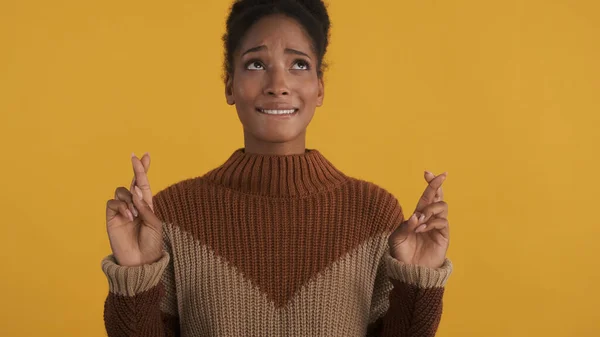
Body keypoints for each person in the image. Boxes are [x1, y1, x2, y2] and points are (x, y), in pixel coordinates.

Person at [101, 0, 453, 336]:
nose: (278, 86)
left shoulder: (374, 213)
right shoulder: (172, 216)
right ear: (229, 85)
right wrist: (135, 274)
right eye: (256, 64)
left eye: (299, 64)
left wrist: (418, 281)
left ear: (319, 87)